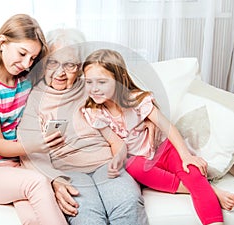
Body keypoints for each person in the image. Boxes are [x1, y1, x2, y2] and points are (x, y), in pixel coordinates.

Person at [81, 49, 234, 225]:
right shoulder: (95, 113)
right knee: (133, 166)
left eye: (102, 82)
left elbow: (168, 128)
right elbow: (116, 143)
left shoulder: (137, 100)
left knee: (191, 171)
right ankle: (208, 190)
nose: (94, 88)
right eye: (89, 82)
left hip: (164, 150)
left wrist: (186, 156)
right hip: (141, 161)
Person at [17, 28, 148, 225]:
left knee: (127, 203)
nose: (60, 72)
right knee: (85, 213)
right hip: (66, 170)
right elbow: (28, 149)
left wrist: (149, 123)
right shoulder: (35, 97)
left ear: (79, 66)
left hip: (106, 162)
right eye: (53, 62)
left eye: (69, 64)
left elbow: (128, 109)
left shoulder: (92, 86)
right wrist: (53, 180)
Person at [0, 14, 68, 225]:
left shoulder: (24, 82)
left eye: (33, 58)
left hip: (14, 169)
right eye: (22, 53)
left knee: (33, 218)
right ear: (2, 43)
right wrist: (39, 144)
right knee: (37, 183)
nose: (26, 63)